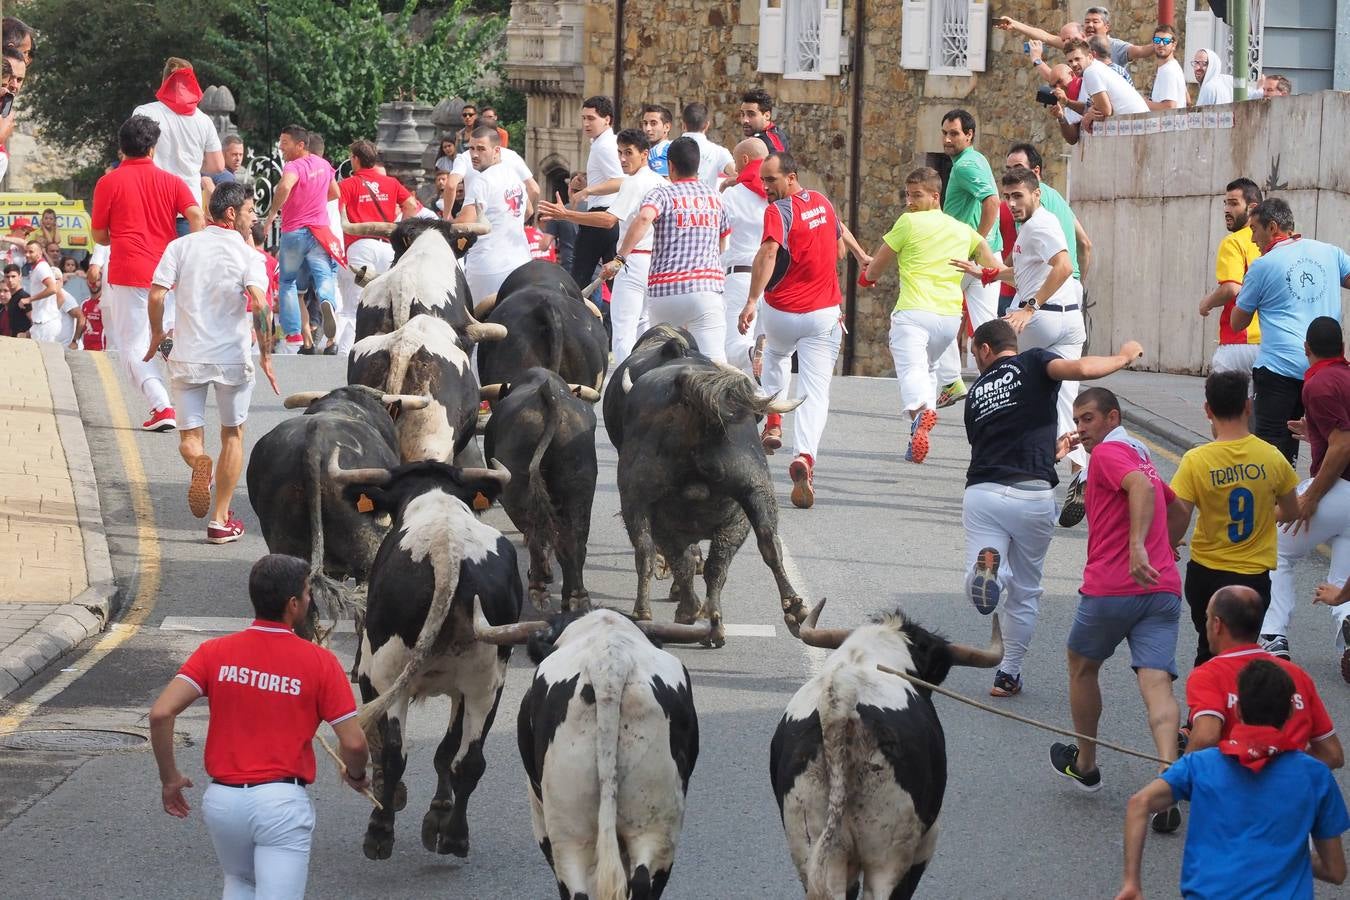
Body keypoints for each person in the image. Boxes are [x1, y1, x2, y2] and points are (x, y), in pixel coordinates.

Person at [148, 554, 371, 900]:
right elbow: (354, 745)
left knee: (239, 884)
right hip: (281, 804)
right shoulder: (321, 663)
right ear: (293, 604)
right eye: (308, 594)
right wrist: (356, 776)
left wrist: (170, 779)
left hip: (223, 803)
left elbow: (161, 713)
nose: (311, 601)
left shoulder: (213, 652)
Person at [1051, 387, 1184, 833]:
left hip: (1113, 588)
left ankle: (1086, 764)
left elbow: (1142, 488)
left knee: (1082, 667)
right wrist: (1165, 547)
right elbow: (1177, 505)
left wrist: (1136, 549)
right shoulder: (1140, 453)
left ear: (1112, 417)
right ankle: (1167, 778)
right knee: (1157, 683)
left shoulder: (1109, 455)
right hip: (1162, 589)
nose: (1081, 428)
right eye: (1077, 419)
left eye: (1088, 419)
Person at [1116, 659, 1349, 900]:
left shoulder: (1200, 765)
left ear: (1237, 711)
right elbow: (1336, 871)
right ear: (1290, 712)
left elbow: (1139, 803)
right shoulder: (1315, 776)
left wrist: (1131, 882)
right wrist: (1286, 857)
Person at [148, 182, 278, 541]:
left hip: (187, 357)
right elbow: (261, 305)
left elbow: (157, 294)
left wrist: (157, 333)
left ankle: (198, 465)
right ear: (232, 213)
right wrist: (266, 355)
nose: (255, 219)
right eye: (251, 211)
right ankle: (220, 521)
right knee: (233, 435)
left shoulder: (181, 246)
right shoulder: (250, 257)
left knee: (190, 439)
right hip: (233, 361)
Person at [953, 167, 1088, 483]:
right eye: (1008, 197)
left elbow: (1065, 266)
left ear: (1036, 194)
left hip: (1039, 319)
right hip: (1069, 321)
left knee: (997, 373)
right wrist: (986, 273)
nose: (1012, 204)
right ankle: (1081, 472)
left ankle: (1007, 457)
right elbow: (1026, 272)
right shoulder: (1037, 226)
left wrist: (1030, 307)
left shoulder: (1039, 226)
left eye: (1019, 196)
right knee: (1066, 399)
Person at [861, 167, 996, 464]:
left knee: (911, 371)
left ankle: (922, 412)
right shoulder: (962, 229)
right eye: (908, 195)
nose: (910, 201)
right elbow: (990, 262)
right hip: (948, 320)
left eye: (917, 195)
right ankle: (917, 437)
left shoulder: (908, 222)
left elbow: (878, 264)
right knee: (930, 370)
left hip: (913, 312)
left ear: (936, 196)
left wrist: (867, 277)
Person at [736, 152, 846, 509]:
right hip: (822, 313)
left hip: (782, 310)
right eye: (763, 180)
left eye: (771, 180)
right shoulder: (824, 203)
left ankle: (773, 420)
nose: (766, 187)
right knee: (815, 392)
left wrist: (752, 300)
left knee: (777, 357)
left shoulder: (778, 212)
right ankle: (805, 458)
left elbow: (768, 252)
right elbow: (839, 246)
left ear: (791, 177)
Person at [1168, 372, 1299, 664]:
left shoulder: (1196, 460)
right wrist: (1267, 514)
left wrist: (1170, 541)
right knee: (1243, 654)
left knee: (1208, 648)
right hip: (1252, 576)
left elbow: (1179, 515)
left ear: (1207, 410)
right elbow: (1292, 511)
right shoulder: (1272, 457)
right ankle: (1241, 705)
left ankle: (1205, 707)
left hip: (1206, 572)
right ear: (1248, 406)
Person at [92, 115, 205, 431]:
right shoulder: (171, 181)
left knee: (132, 345)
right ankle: (180, 374)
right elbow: (196, 215)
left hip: (129, 271)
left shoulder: (108, 182)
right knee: (164, 330)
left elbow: (99, 235)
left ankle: (162, 406)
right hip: (166, 271)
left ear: (121, 148)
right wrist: (189, 251)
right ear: (153, 149)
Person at [1257, 317, 1350, 664]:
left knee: (1275, 552)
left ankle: (1273, 635)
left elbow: (1342, 446)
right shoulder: (1345, 375)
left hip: (1337, 489)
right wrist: (1314, 432)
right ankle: (1348, 624)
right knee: (1342, 577)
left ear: (1306, 349)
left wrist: (1310, 498)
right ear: (1341, 348)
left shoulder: (1318, 384)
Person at [1231, 199, 1350, 463]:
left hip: (1279, 373)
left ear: (1272, 227)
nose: (1252, 239)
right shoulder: (1330, 252)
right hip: (1326, 371)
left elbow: (1237, 322)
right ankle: (1319, 499)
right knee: (1335, 447)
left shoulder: (1262, 266)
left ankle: (1279, 504)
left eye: (1254, 230)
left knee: (1274, 456)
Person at [540, 128, 666, 362]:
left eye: (628, 153)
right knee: (646, 325)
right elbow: (617, 185)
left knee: (623, 329)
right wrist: (589, 190)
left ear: (644, 154)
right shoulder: (660, 182)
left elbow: (608, 220)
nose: (622, 159)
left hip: (633, 261)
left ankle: (623, 382)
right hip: (659, 262)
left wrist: (567, 214)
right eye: (620, 153)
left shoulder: (634, 183)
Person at [1183, 585, 1342, 766]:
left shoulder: (1208, 674)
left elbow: (1205, 737)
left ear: (1217, 624)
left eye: (1207, 617)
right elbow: (1332, 754)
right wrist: (1286, 770)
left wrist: (1181, 774)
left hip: (1234, 789)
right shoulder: (1297, 675)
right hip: (1290, 791)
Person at [605, 136, 729, 363]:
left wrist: (620, 257)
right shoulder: (716, 198)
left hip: (667, 290)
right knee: (714, 362)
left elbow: (644, 217)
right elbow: (723, 242)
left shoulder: (662, 193)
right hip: (707, 289)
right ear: (697, 165)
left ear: (670, 166)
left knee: (663, 361)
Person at [935, 109, 1001, 408]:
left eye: (954, 134)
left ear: (969, 135)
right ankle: (998, 384)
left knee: (938, 311)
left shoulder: (964, 167)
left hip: (965, 254)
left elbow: (992, 202)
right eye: (945, 133)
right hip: (987, 254)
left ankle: (950, 380)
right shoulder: (976, 159)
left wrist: (976, 242)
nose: (948, 139)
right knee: (986, 323)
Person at [263, 125, 341, 353]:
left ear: (300, 145)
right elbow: (335, 193)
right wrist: (314, 199)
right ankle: (327, 302)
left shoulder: (293, 166)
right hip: (319, 232)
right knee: (323, 277)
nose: (280, 147)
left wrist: (272, 215)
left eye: (284, 143)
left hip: (294, 232)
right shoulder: (324, 165)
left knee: (288, 283)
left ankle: (295, 333)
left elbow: (285, 186)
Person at [336, 140, 418, 355]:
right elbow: (410, 205)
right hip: (387, 246)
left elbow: (334, 210)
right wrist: (400, 228)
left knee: (355, 306)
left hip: (360, 246)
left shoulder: (347, 184)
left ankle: (345, 357)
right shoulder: (391, 183)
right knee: (384, 305)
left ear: (355, 159)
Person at [133, 58, 225, 230]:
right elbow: (218, 165)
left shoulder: (144, 112)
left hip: (151, 207)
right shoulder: (203, 120)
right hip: (189, 211)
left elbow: (134, 154)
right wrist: (196, 163)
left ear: (164, 80)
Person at [455, 125, 532, 301]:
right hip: (521, 263)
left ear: (496, 150)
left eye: (481, 149)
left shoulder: (481, 181)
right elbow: (529, 210)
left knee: (475, 325)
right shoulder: (513, 174)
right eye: (471, 149)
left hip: (487, 269)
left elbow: (464, 224)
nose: (474, 155)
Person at [1199, 178, 1263, 376]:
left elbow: (1231, 288)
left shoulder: (1233, 241)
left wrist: (1207, 303)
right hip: (1270, 344)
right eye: (1225, 203)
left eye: (1234, 203)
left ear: (1252, 208)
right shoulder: (1270, 241)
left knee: (1225, 405)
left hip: (1238, 342)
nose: (1227, 209)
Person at [718, 137, 770, 375]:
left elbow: (719, 236)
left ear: (745, 160)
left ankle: (751, 354)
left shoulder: (733, 195)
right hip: (773, 277)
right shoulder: (777, 193)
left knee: (732, 346)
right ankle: (770, 407)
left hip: (740, 275)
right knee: (773, 352)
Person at [566, 96, 624, 290]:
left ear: (607, 119)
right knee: (614, 281)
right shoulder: (604, 143)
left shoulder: (604, 146)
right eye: (583, 118)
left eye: (591, 118)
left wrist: (588, 190)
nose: (585, 123)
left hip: (601, 217)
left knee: (578, 279)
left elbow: (620, 181)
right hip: (610, 217)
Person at [1065, 38, 1150, 129]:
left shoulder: (1090, 72)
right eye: (1070, 61)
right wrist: (1092, 110)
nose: (1073, 64)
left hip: (1135, 123)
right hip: (1140, 121)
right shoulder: (1097, 67)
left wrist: (1088, 117)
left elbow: (1105, 110)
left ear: (1090, 57)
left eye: (1077, 59)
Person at [679, 102, 734, 188]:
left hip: (676, 198)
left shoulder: (669, 148)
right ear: (707, 125)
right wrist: (723, 187)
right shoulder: (718, 152)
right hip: (707, 199)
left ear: (683, 125)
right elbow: (735, 174)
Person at [1145, 24, 1188, 110]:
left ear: (1174, 45)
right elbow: (1188, 100)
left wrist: (1143, 102)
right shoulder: (1173, 67)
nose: (1161, 44)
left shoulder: (1168, 71)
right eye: (1157, 40)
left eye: (1166, 41)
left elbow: (1169, 107)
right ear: (1153, 44)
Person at [738, 88, 788, 153]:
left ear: (767, 115)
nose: (745, 120)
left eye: (751, 114)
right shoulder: (760, 137)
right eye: (742, 114)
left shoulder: (772, 140)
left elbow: (780, 161)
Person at [640, 103, 674, 177]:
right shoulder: (673, 147)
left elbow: (663, 184)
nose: (647, 128)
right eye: (645, 123)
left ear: (667, 127)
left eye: (653, 123)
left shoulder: (658, 152)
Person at [80, 269, 105, 351]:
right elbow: (81, 326)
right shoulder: (84, 303)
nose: (94, 284)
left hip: (102, 349)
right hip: (86, 349)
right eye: (91, 281)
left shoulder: (107, 304)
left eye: (97, 280)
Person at [3, 263, 28, 337]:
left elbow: (35, 321)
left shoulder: (24, 297)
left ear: (20, 277)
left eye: (13, 276)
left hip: (26, 344)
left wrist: (27, 334)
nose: (10, 280)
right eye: (7, 277)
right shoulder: (12, 298)